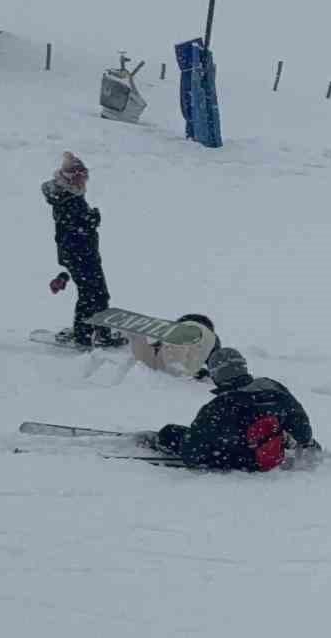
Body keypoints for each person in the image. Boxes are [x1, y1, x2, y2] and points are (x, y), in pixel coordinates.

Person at [153, 349, 316, 472]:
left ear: (216, 375)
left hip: (246, 461)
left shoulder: (220, 405)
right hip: (274, 450)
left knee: (169, 433)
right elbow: (303, 432)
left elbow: (193, 452)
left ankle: (160, 440)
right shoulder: (273, 388)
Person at [42, 152, 122, 347]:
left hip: (78, 253)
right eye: (81, 177)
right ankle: (94, 335)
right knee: (95, 295)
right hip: (81, 254)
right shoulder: (68, 199)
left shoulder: (67, 195)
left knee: (90, 293)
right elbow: (74, 225)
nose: (84, 182)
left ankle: (88, 332)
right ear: (72, 178)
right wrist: (91, 219)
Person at [130, 313, 221, 379]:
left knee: (154, 360)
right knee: (183, 366)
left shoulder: (176, 335)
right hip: (203, 335)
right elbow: (215, 361)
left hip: (179, 330)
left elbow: (161, 344)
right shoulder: (210, 339)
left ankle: (128, 337)